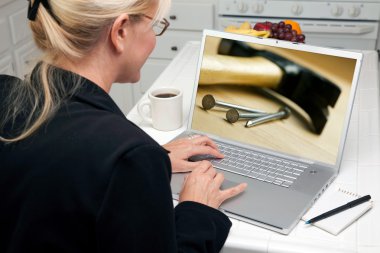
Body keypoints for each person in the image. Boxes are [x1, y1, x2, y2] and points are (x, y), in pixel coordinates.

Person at [0, 0, 247, 252]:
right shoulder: (129, 155)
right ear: (120, 32)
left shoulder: (5, 93)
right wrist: (197, 210)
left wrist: (141, 165)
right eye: (155, 27)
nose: (154, 39)